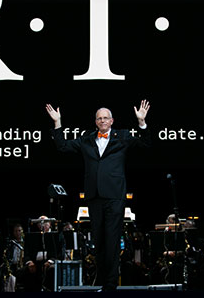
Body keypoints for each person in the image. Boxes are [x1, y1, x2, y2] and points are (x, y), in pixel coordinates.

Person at [46, 100, 152, 291]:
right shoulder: (87, 138)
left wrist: (142, 123)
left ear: (112, 121)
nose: (103, 121)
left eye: (106, 118)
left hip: (114, 196)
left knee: (112, 239)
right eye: (99, 118)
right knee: (98, 240)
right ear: (96, 122)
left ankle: (111, 283)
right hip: (94, 196)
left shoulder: (123, 137)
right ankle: (102, 280)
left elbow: (146, 144)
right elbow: (62, 146)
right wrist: (58, 123)